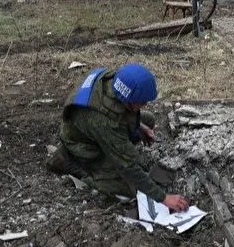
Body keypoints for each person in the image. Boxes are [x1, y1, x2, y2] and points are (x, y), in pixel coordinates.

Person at [48, 63, 189, 212]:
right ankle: (69, 162)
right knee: (129, 188)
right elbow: (128, 166)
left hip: (92, 129)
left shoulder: (114, 81)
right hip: (83, 145)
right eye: (141, 102)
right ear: (128, 100)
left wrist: (139, 126)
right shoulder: (104, 121)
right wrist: (163, 198)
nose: (145, 104)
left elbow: (120, 113)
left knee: (148, 120)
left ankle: (118, 149)